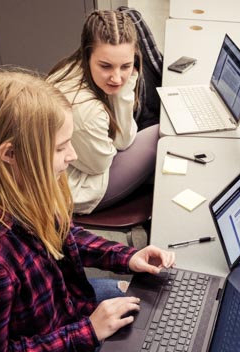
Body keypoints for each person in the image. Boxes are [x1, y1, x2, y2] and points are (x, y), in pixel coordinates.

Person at [0, 71, 175, 352]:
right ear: (9, 154)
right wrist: (87, 332)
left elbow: (66, 236)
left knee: (152, 302)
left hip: (59, 314)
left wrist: (126, 256)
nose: (73, 156)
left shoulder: (24, 185)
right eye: (60, 147)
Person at [48, 9, 158, 215]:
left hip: (81, 164)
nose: (116, 78)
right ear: (87, 54)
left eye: (126, 66)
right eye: (106, 66)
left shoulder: (73, 67)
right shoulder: (85, 110)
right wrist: (124, 91)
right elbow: (117, 147)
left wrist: (121, 89)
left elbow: (121, 140)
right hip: (79, 186)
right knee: (161, 134)